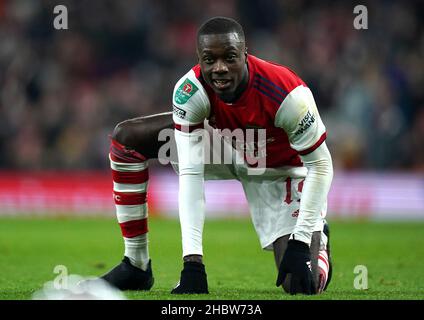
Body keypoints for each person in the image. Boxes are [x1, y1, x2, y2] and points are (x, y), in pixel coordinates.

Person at [99, 16, 333, 295]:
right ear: (200, 59)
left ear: (245, 55)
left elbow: (321, 165)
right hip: (224, 144)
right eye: (209, 60)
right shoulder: (191, 91)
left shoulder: (288, 95)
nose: (219, 68)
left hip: (279, 171)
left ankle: (318, 239)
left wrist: (301, 239)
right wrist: (192, 264)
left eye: (230, 58)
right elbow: (191, 173)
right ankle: (136, 263)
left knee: (300, 285)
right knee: (128, 138)